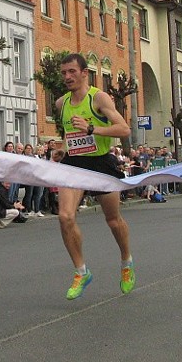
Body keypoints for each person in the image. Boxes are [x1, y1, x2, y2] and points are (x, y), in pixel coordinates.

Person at [54, 53, 134, 300]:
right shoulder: (61, 104)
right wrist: (62, 150)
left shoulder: (98, 98)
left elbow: (124, 129)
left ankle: (126, 262)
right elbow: (70, 135)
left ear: (84, 73)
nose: (67, 77)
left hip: (101, 163)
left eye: (72, 72)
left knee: (113, 220)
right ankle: (81, 271)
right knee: (65, 217)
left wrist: (92, 128)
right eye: (64, 73)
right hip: (75, 165)